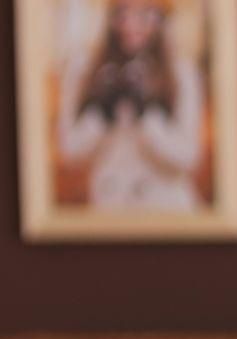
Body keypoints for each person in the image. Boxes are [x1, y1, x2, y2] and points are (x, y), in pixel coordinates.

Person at [54, 0, 205, 211]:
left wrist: (148, 116)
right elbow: (70, 151)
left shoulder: (181, 73)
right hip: (111, 208)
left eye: (144, 14)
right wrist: (100, 114)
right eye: (122, 13)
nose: (131, 25)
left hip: (165, 208)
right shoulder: (83, 71)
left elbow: (188, 158)